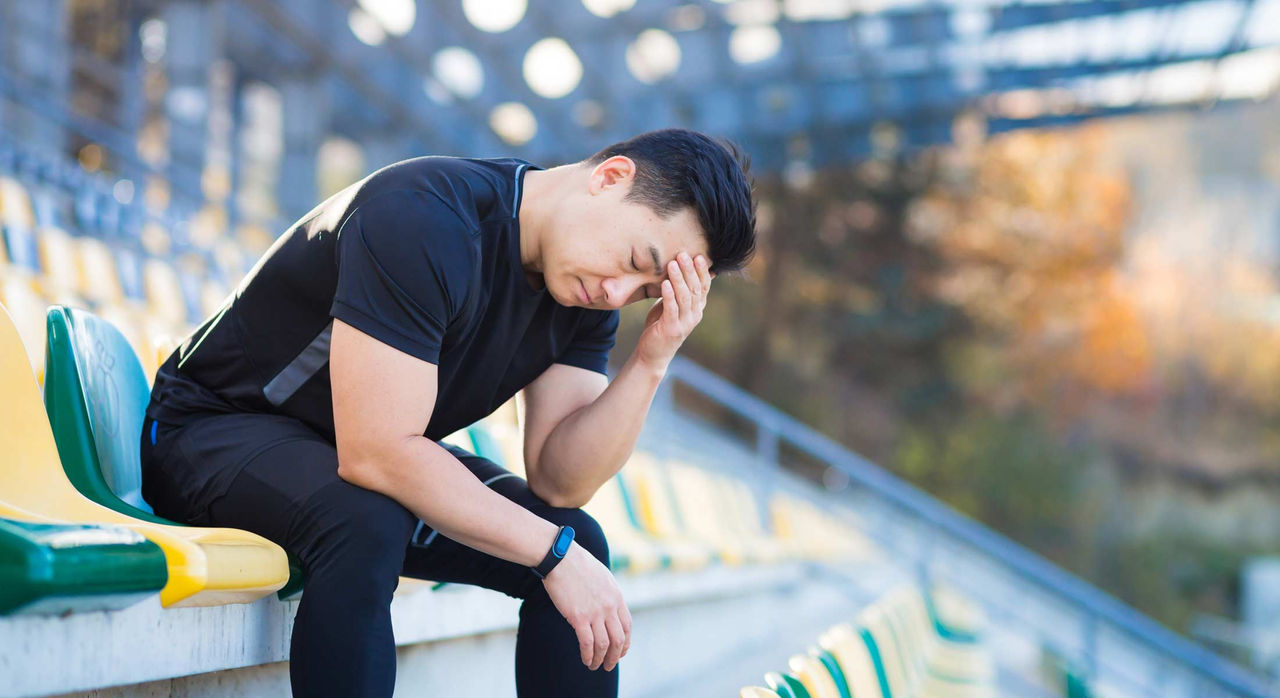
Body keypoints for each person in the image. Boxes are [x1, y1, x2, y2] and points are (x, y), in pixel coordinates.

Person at [138, 127, 757, 697]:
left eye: (647, 292)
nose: (618, 295)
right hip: (213, 430)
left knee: (579, 539)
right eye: (633, 262)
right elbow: (376, 453)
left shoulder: (585, 294)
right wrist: (553, 553)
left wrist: (651, 358)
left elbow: (559, 480)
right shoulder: (425, 215)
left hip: (338, 463)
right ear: (609, 177)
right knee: (369, 517)